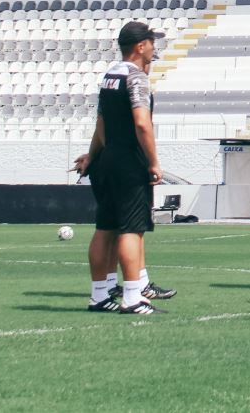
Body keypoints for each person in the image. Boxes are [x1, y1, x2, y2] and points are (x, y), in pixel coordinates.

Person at [73, 20, 173, 314]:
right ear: (140, 46)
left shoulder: (109, 76)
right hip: (130, 159)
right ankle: (132, 296)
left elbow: (101, 124)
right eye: (152, 43)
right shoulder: (136, 77)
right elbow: (142, 123)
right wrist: (153, 162)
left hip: (108, 158)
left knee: (105, 228)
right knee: (132, 229)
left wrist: (94, 156)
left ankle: (99, 295)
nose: (154, 49)